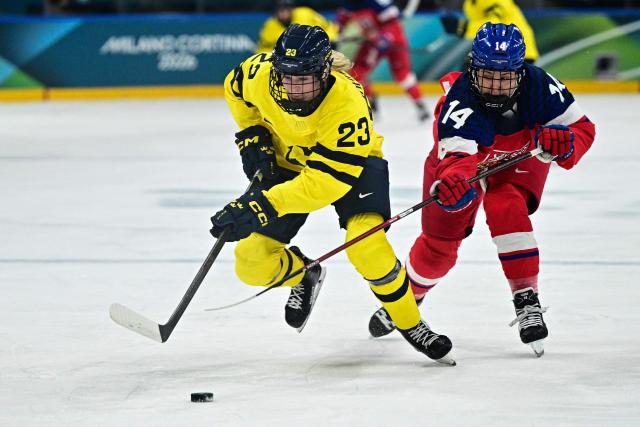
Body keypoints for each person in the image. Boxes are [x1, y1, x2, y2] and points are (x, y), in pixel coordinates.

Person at [210, 24, 453, 363]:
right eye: (287, 77)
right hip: (288, 160)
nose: (294, 88)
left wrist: (263, 204)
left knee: (367, 246)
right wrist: (252, 133)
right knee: (251, 264)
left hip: (350, 167)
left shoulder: (348, 104)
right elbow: (233, 86)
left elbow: (326, 184)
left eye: (305, 78)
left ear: (325, 72)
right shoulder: (261, 73)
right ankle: (304, 274)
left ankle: (410, 322)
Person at [367, 22, 596, 356]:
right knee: (437, 251)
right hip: (463, 165)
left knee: (508, 206)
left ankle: (526, 296)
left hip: (517, 159)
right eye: (488, 75)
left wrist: (567, 143)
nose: (496, 86)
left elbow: (582, 129)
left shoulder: (541, 85)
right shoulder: (458, 99)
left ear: (521, 71)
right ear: (473, 68)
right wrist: (452, 183)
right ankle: (408, 298)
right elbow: (457, 158)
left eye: (505, 77)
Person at [336, 0, 430, 122]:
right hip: (373, 42)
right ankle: (371, 102)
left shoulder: (378, 3)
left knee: (402, 74)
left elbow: (392, 22)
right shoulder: (348, 5)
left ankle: (420, 104)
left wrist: (387, 36)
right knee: (356, 71)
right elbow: (340, 23)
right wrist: (336, 34)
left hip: (393, 39)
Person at [440, 0, 539, 63]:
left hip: (513, 48)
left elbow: (495, 24)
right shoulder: (471, 2)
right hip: (504, 49)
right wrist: (463, 28)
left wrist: (464, 28)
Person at [255, 0, 338, 54]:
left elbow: (329, 26)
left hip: (315, 52)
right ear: (275, 12)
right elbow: (263, 50)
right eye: (281, 10)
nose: (284, 13)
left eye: (287, 9)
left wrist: (328, 39)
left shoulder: (305, 13)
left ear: (292, 9)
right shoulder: (270, 26)